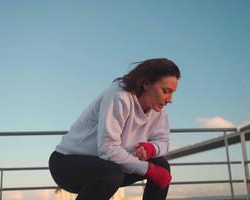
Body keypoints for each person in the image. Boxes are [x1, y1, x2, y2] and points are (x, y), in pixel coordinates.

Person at [49, 58, 181, 200]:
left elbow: (163, 141)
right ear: (146, 83)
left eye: (172, 93)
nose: (170, 99)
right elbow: (108, 149)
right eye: (166, 91)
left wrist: (151, 148)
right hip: (67, 164)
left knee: (161, 165)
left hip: (109, 164)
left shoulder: (158, 111)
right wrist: (149, 170)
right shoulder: (119, 97)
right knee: (112, 173)